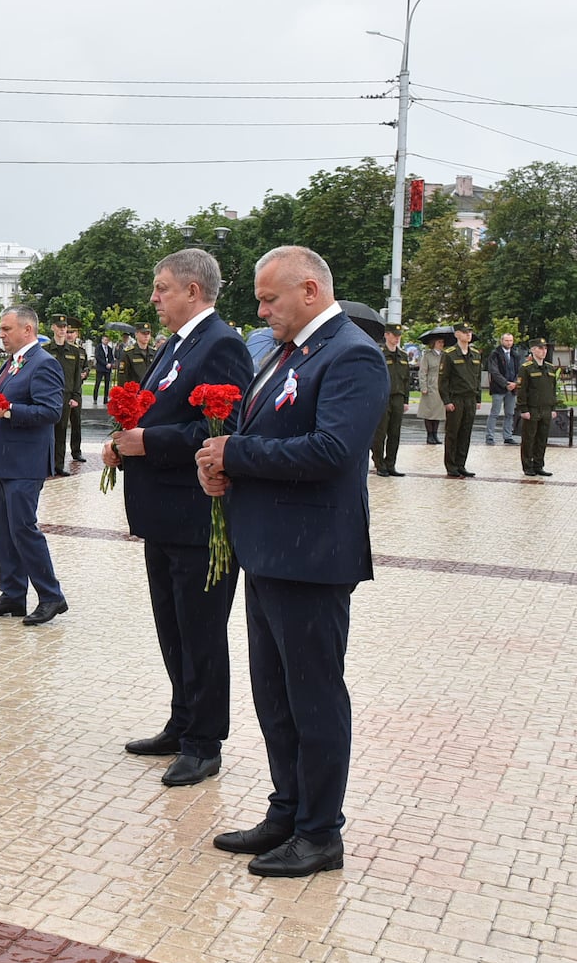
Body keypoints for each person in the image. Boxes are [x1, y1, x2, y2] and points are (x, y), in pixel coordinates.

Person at [195, 246, 382, 878]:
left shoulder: (351, 354)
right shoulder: (287, 353)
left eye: (269, 298)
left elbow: (332, 451)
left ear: (309, 290)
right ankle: (288, 811)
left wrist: (237, 455)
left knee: (313, 697)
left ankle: (320, 832)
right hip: (269, 550)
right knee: (274, 696)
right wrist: (222, 467)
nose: (261, 310)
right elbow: (262, 437)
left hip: (312, 557)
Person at [101, 250, 251, 788]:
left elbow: (225, 432)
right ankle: (182, 721)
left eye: (162, 288)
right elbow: (159, 411)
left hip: (197, 518)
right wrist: (124, 442)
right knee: (172, 627)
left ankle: (204, 743)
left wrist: (148, 442)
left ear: (193, 290)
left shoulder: (222, 344)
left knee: (201, 633)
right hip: (162, 515)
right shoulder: (176, 344)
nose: (154, 297)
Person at [0, 306, 68, 626]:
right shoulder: (11, 362)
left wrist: (9, 411)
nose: (1, 334)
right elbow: (0, 402)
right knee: (5, 531)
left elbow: (51, 411)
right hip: (3, 459)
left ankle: (51, 596)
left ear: (27, 330)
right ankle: (12, 594)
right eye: (1, 329)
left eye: (6, 328)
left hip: (25, 462)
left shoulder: (44, 363)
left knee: (24, 529)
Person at [46, 315, 88, 475]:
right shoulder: (45, 350)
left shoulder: (74, 351)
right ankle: (45, 463)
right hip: (48, 396)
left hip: (66, 395)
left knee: (61, 430)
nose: (63, 329)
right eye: (59, 326)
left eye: (64, 327)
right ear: (53, 327)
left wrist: (75, 396)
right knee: (47, 431)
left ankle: (58, 465)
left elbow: (77, 376)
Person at [439, 324, 482, 478]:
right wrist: (446, 400)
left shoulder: (475, 354)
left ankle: (461, 464)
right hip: (456, 398)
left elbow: (477, 378)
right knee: (453, 433)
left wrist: (478, 398)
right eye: (464, 332)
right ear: (457, 334)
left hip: (470, 399)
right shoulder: (449, 354)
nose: (468, 335)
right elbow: (443, 380)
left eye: (469, 332)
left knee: (466, 433)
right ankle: (451, 465)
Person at [516, 338, 561, 477]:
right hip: (532, 409)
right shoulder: (526, 368)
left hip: (546, 408)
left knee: (542, 439)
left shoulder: (550, 368)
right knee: (529, 439)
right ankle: (527, 466)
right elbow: (521, 390)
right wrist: (523, 409)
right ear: (533, 350)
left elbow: (552, 390)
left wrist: (553, 408)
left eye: (545, 348)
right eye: (540, 348)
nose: (543, 351)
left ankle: (538, 465)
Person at [372, 327, 411, 477]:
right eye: (394, 335)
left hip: (398, 398)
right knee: (380, 433)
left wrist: (406, 400)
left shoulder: (403, 356)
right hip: (383, 397)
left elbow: (406, 380)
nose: (397, 338)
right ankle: (379, 463)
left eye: (399, 335)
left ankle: (391, 464)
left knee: (395, 433)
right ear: (386, 335)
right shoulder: (379, 354)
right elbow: (374, 377)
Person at [485, 332, 521, 446]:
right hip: (498, 388)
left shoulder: (515, 355)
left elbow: (519, 370)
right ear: (502, 341)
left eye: (511, 341)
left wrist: (515, 383)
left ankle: (508, 436)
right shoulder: (495, 354)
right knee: (495, 413)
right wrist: (505, 383)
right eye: (506, 340)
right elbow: (494, 371)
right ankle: (490, 436)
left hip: (512, 388)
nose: (509, 343)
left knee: (510, 413)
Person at [417, 333, 446, 445]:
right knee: (429, 412)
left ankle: (435, 434)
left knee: (438, 412)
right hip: (431, 385)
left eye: (442, 342)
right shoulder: (427, 355)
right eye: (439, 342)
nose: (441, 344)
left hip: (441, 385)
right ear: (433, 343)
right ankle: (429, 434)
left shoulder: (444, 356)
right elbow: (422, 372)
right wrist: (423, 386)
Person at [118, 323, 157, 388]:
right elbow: (122, 377)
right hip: (134, 390)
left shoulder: (154, 352)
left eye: (148, 333)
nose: (146, 336)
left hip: (150, 390)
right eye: (143, 333)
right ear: (136, 334)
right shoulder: (128, 353)